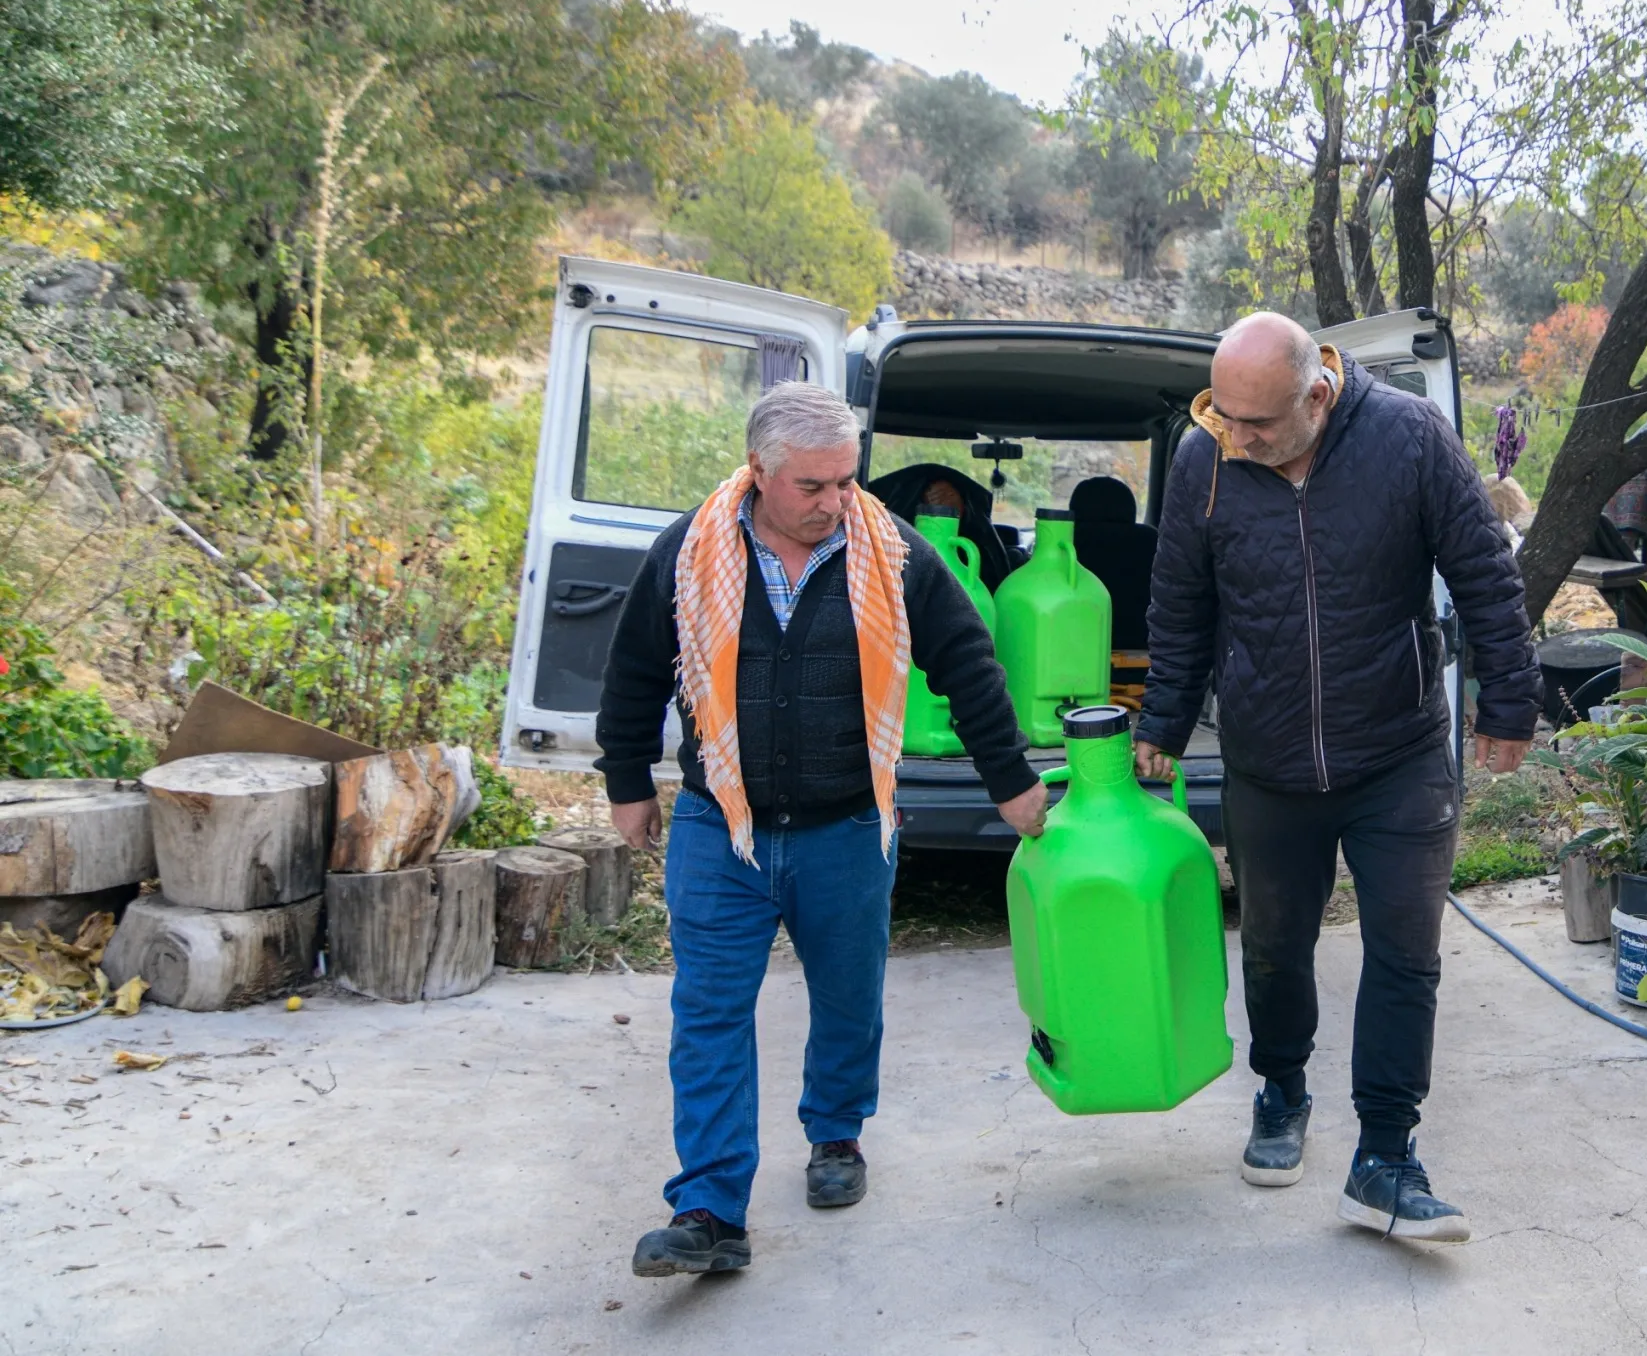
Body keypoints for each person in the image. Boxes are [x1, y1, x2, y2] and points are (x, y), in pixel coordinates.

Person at [596, 383, 1047, 1277]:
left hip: (845, 826)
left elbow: (967, 661)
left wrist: (1012, 786)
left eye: (846, 482)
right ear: (759, 471)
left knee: (848, 996)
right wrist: (624, 781)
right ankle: (711, 1209)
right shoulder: (688, 551)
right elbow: (636, 667)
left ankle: (836, 1137)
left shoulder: (892, 551)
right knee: (708, 1012)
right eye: (813, 487)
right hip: (720, 827)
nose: (836, 503)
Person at [1135, 312, 1541, 1243]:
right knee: (1274, 944)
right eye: (1222, 418)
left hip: (1395, 750)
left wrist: (1510, 703)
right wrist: (1161, 718)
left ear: (1318, 394)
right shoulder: (1206, 458)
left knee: (1406, 954)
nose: (1237, 440)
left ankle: (1386, 1155)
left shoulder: (1407, 438)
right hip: (1267, 758)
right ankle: (1280, 1087)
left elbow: (1483, 572)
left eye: (1258, 425)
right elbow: (1180, 599)